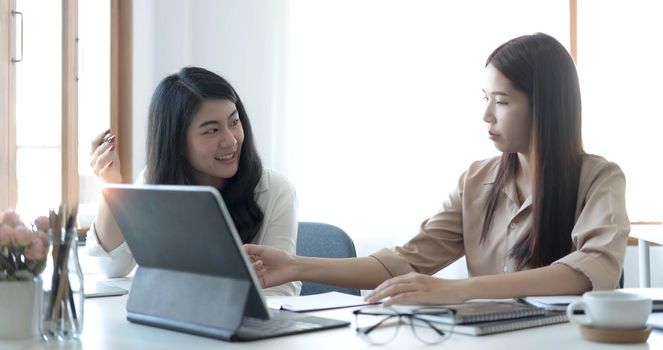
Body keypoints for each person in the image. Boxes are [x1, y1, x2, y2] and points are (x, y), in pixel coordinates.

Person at [244, 33, 629, 305]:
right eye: (485, 99)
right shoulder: (476, 181)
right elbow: (404, 262)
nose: (486, 115)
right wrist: (295, 267)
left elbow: (591, 271)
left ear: (544, 106)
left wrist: (460, 290)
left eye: (502, 101)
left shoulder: (598, 178)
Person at [86, 67, 300, 296]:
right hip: (173, 321)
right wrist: (110, 186)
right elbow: (112, 267)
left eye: (234, 122)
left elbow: (280, 292)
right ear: (176, 141)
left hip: (241, 327)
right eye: (212, 131)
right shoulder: (155, 181)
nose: (230, 140)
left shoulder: (275, 190)